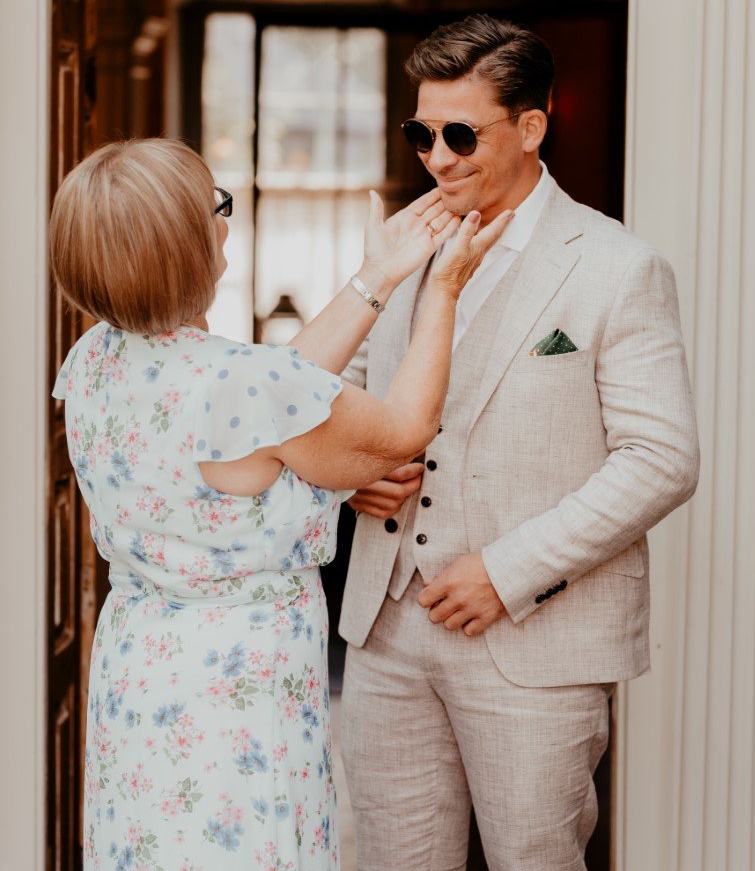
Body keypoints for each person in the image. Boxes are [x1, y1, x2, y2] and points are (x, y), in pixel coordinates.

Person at [49, 137, 510, 870]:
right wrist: (444, 288)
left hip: (141, 672)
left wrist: (374, 278)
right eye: (215, 206)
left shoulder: (94, 358)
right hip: (238, 682)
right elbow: (403, 431)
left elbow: (275, 393)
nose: (224, 219)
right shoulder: (242, 382)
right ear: (195, 243)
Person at [339, 13, 700, 871]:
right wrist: (352, 474)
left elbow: (662, 458)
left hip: (533, 642)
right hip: (386, 629)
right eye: (420, 133)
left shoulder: (618, 266)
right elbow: (343, 393)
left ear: (531, 127)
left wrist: (508, 572)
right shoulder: (406, 247)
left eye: (460, 133)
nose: (436, 157)